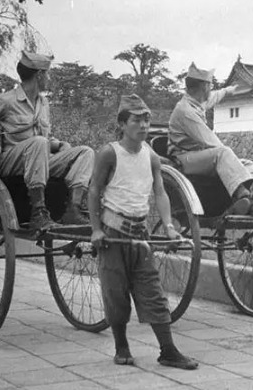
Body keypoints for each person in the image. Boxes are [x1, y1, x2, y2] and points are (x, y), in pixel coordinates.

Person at [88, 94, 198, 370]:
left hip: (140, 234)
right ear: (122, 124)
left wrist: (170, 226)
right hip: (112, 234)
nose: (144, 125)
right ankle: (121, 345)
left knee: (153, 292)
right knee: (116, 294)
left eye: (147, 119)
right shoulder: (109, 153)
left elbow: (160, 192)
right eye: (136, 120)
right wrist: (96, 230)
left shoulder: (151, 156)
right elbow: (93, 191)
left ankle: (168, 350)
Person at [0, 51, 95, 230]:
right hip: (11, 161)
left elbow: (45, 137)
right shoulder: (6, 101)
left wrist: (59, 144)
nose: (49, 78)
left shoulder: (44, 103)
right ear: (39, 75)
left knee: (85, 152)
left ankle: (73, 209)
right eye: (47, 74)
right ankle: (38, 212)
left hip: (40, 160)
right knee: (39, 143)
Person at [168, 62, 253, 216]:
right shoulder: (185, 111)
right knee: (223, 153)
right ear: (204, 87)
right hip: (183, 159)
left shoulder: (196, 102)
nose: (211, 88)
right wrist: (230, 159)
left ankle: (241, 203)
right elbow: (210, 141)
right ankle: (245, 196)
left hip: (198, 158)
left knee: (248, 164)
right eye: (209, 85)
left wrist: (229, 90)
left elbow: (215, 96)